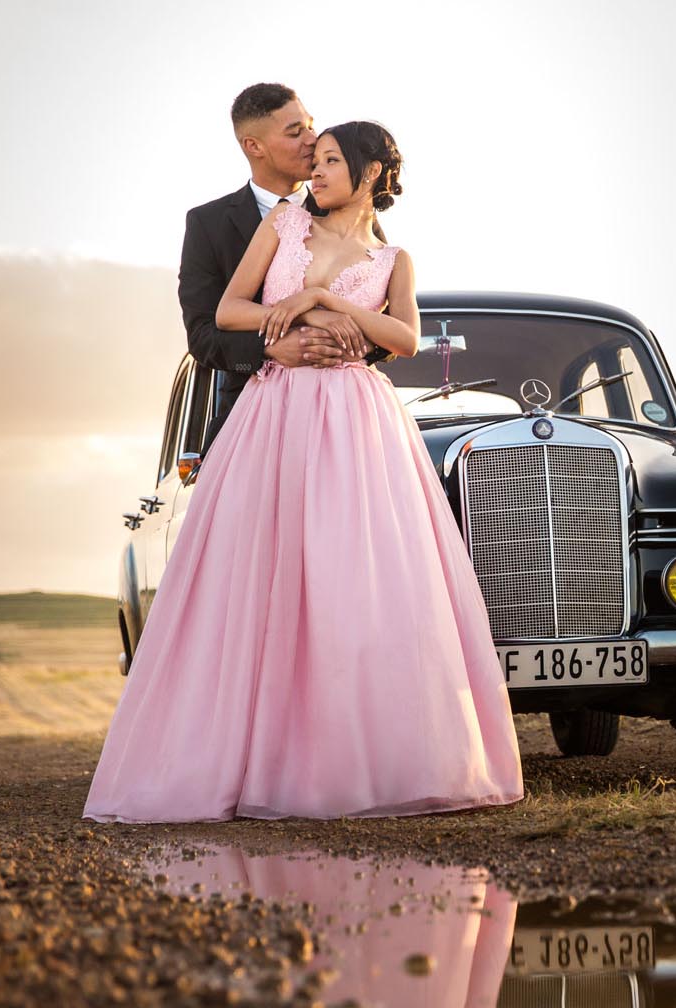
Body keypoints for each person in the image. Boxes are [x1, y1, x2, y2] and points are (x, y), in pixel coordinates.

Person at [83, 118, 524, 823]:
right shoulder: (285, 224)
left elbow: (405, 338)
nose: (313, 175)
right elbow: (228, 308)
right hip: (274, 412)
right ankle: (242, 758)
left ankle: (354, 764)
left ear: (370, 173)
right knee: (258, 576)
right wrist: (278, 334)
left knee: (351, 582)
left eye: (327, 163)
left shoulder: (394, 258)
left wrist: (326, 301)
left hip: (356, 419)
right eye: (312, 161)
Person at [180, 83, 385, 452]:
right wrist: (272, 349)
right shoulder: (207, 224)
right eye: (295, 132)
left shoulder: (352, 211)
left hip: (344, 424)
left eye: (310, 125)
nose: (312, 139)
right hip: (249, 421)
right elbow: (202, 335)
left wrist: (337, 348)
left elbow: (381, 318)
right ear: (254, 146)